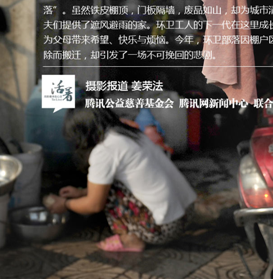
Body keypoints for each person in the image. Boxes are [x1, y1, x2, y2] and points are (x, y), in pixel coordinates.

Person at [46, 108, 197, 252]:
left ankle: (130, 239)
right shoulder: (128, 132)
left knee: (110, 189)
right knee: (109, 181)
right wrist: (81, 193)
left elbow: (94, 205)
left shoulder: (105, 150)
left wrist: (65, 204)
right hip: (186, 214)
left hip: (163, 228)